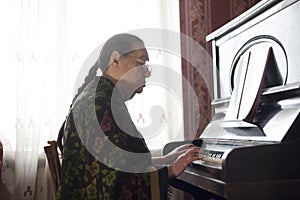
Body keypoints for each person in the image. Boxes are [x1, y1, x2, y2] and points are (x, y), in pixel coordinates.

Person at [57, 33, 201, 200]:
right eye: (142, 62)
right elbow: (115, 179)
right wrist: (171, 169)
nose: (147, 73)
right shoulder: (99, 104)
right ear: (116, 59)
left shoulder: (102, 97)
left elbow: (121, 160)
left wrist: (165, 159)